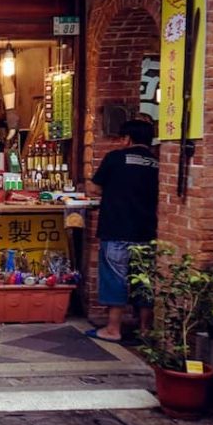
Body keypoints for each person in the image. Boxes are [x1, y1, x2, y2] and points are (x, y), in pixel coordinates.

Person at [87, 119, 158, 343]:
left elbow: (95, 187)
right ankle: (146, 330)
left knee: (115, 278)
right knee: (144, 281)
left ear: (127, 138)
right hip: (146, 231)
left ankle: (113, 329)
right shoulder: (158, 163)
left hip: (116, 228)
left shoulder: (115, 158)